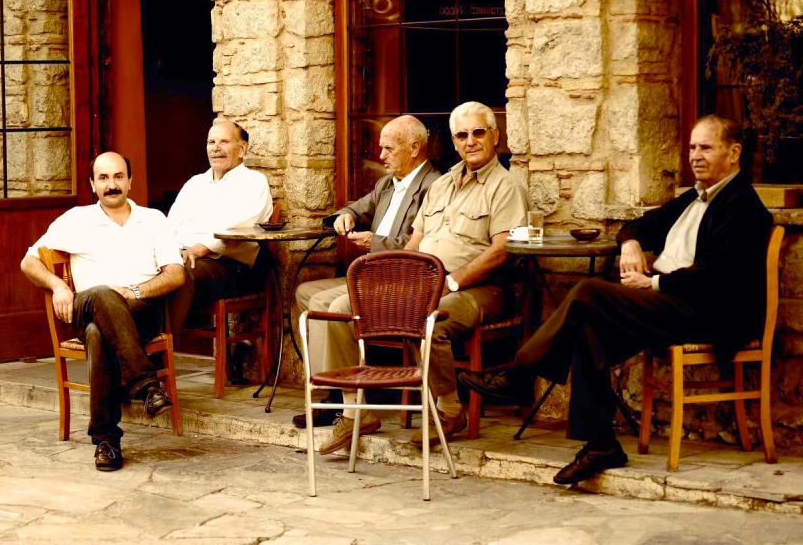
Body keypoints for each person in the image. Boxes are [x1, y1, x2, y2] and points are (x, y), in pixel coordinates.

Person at [460, 114, 773, 486]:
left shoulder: (743, 207)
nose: (695, 156)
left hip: (707, 313)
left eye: (706, 147)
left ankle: (519, 375)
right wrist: (630, 243)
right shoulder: (694, 197)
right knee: (588, 328)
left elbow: (714, 277)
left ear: (734, 153)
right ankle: (601, 444)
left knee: (590, 291)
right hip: (672, 303)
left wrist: (652, 284)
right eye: (691, 147)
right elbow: (640, 224)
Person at [312, 101, 528, 455]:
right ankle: (355, 412)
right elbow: (415, 242)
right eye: (462, 135)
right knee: (342, 305)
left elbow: (503, 250)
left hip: (477, 289)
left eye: (478, 133)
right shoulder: (441, 186)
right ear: (455, 142)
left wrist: (453, 280)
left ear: (495, 137)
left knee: (426, 319)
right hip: (425, 282)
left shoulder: (506, 187)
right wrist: (392, 281)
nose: (470, 141)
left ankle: (449, 410)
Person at [20, 152, 184, 472]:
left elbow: (175, 274)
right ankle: (146, 386)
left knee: (98, 333)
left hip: (141, 308)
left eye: (119, 177)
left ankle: (106, 440)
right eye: (105, 178)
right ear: (93, 184)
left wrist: (136, 291)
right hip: (87, 304)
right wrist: (59, 286)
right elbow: (29, 262)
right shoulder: (76, 219)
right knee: (100, 294)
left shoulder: (153, 219)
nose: (112, 185)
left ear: (130, 181)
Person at [294, 114, 440, 429]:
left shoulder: (434, 186)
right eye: (381, 148)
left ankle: (339, 399)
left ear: (414, 148)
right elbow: (356, 207)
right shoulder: (386, 184)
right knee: (306, 292)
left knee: (327, 306)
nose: (381, 156)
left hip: (402, 280)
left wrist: (376, 242)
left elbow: (424, 244)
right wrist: (344, 216)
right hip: (372, 277)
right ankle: (334, 388)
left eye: (388, 149)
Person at [164, 119, 273, 356]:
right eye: (211, 142)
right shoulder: (195, 183)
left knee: (182, 274)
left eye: (224, 141)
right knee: (153, 272)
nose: (216, 147)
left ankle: (158, 356)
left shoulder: (254, 182)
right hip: (190, 259)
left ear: (242, 149)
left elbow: (236, 228)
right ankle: (138, 345)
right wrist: (170, 253)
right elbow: (171, 226)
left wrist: (198, 248)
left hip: (234, 269)